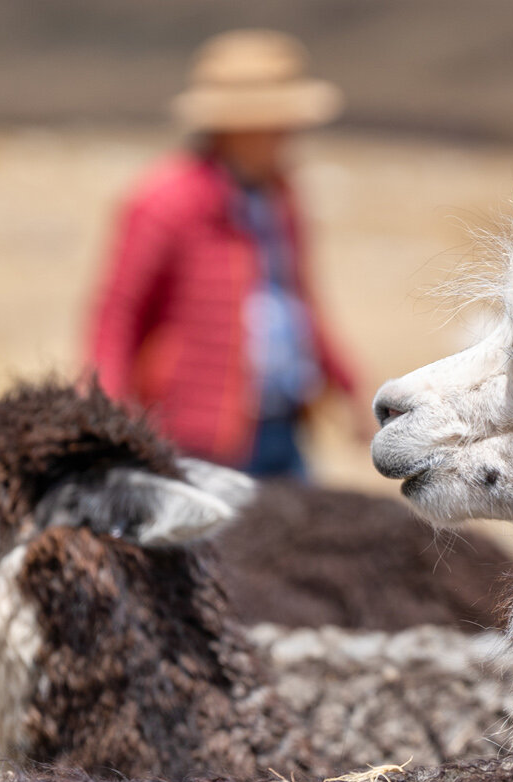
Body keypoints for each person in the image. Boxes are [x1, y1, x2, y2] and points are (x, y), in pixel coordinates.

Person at [86, 29, 367, 478]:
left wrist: (351, 391)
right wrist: (105, 422)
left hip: (283, 419)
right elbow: (118, 314)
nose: (289, 134)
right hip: (198, 434)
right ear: (237, 127)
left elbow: (302, 304)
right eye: (278, 122)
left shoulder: (282, 196)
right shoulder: (165, 200)